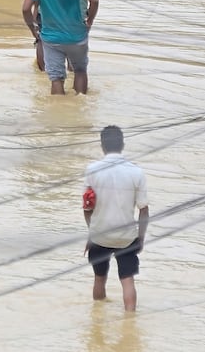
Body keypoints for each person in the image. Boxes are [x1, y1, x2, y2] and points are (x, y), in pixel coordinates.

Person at [83, 125, 149, 311]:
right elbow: (144, 211)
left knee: (99, 279)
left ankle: (97, 322)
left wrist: (92, 231)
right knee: (128, 281)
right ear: (123, 145)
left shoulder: (92, 170)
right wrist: (140, 239)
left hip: (100, 236)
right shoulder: (136, 172)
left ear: (102, 146)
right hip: (127, 237)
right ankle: (130, 320)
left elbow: (87, 207)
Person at [22, 0, 98, 94]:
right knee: (80, 71)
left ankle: (58, 114)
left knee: (56, 78)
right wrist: (89, 20)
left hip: (52, 38)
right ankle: (80, 108)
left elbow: (25, 9)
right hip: (77, 36)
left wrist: (33, 30)